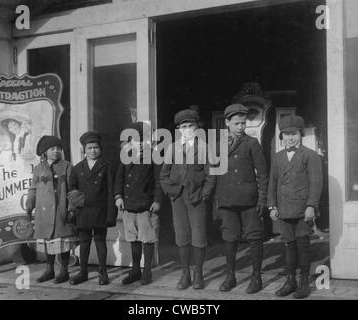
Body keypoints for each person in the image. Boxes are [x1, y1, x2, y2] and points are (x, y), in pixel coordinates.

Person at [268, 115, 323, 299]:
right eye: (286, 134)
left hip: (302, 210)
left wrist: (311, 206)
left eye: (294, 134)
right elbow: (272, 183)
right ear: (281, 136)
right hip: (284, 209)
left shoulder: (310, 155)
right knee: (289, 246)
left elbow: (316, 183)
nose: (290, 138)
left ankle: (304, 283)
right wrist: (272, 206)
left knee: (303, 245)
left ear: (301, 135)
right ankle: (290, 281)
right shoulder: (277, 157)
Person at [160, 109, 216, 290]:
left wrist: (205, 194)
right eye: (183, 127)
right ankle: (185, 273)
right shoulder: (172, 147)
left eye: (190, 126)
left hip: (196, 198)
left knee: (199, 236)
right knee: (182, 235)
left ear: (197, 127)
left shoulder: (204, 147)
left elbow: (211, 174)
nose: (187, 130)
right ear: (178, 129)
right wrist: (170, 191)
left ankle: (198, 272)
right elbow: (164, 175)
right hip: (177, 198)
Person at [215, 103, 268, 293]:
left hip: (249, 200)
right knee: (229, 237)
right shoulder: (218, 144)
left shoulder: (252, 143)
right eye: (236, 123)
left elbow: (262, 174)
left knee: (254, 237)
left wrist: (262, 199)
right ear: (227, 122)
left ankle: (256, 277)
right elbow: (213, 172)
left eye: (243, 123)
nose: (241, 127)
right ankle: (230, 276)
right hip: (227, 200)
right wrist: (216, 200)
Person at [114, 122, 163, 285]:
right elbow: (119, 179)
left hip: (145, 206)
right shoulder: (126, 157)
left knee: (147, 238)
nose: (141, 144)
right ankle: (135, 269)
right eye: (137, 140)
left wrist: (157, 200)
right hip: (128, 206)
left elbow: (158, 181)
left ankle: (147, 270)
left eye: (144, 140)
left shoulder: (153, 157)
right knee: (133, 238)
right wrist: (118, 196)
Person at [26, 135, 77, 284]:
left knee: (63, 241)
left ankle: (64, 271)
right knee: (48, 241)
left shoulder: (67, 166)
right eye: (52, 149)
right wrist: (30, 205)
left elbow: (73, 189)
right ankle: (49, 270)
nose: (56, 151)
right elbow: (33, 189)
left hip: (61, 210)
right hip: (44, 213)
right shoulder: (38, 168)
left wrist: (71, 208)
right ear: (45, 152)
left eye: (58, 148)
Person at [69, 131, 117, 285]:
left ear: (100, 149)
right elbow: (72, 190)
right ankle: (83, 272)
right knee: (84, 243)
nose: (93, 151)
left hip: (101, 210)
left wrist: (111, 214)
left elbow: (111, 190)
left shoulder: (106, 166)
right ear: (84, 149)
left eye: (95, 147)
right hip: (83, 211)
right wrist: (76, 208)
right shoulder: (77, 168)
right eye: (89, 148)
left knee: (100, 241)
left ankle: (103, 272)